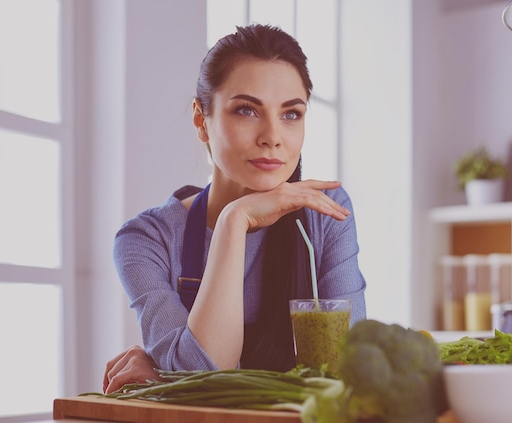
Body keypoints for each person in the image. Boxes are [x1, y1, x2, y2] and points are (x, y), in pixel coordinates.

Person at [102, 23, 367, 394]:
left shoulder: (326, 213)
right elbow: (203, 375)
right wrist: (234, 220)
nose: (272, 137)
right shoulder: (146, 241)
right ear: (201, 121)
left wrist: (166, 367)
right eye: (246, 110)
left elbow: (347, 366)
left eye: (291, 114)